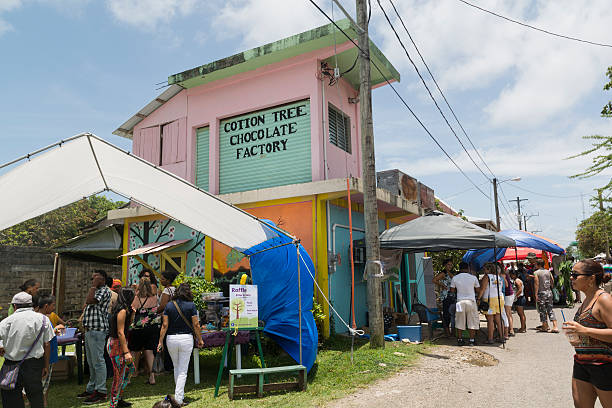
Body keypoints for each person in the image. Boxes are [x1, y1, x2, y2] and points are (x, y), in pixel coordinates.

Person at [563, 260, 612, 408]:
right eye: (571, 274)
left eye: (575, 275)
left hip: (604, 366)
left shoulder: (603, 299)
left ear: (591, 278)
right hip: (582, 363)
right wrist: (578, 338)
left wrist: (583, 330)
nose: (571, 277)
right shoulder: (586, 300)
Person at [0, 292, 55, 408]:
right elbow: (47, 345)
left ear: (15, 306)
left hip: (11, 365)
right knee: (36, 397)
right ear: (31, 304)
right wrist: (46, 366)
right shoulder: (43, 319)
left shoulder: (5, 322)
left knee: (11, 399)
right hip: (34, 364)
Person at [157, 284, 203, 406]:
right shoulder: (191, 306)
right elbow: (196, 325)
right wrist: (200, 339)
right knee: (182, 370)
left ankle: (179, 395)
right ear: (188, 292)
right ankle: (178, 399)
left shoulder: (169, 305)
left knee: (177, 367)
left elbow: (164, 325)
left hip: (171, 339)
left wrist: (160, 341)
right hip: (186, 338)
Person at [78, 269, 112, 404]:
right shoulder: (97, 290)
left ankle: (101, 391)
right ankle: (92, 388)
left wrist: (93, 287)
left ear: (102, 279)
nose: (92, 280)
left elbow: (90, 301)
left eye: (95, 278)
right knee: (91, 362)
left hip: (98, 330)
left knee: (98, 361)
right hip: (90, 330)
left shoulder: (104, 290)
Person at [108, 288, 136, 408]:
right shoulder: (122, 311)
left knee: (129, 370)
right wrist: (126, 352)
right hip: (116, 345)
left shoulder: (124, 310)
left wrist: (133, 314)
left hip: (119, 344)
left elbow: (126, 327)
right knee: (118, 375)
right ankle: (113, 403)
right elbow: (120, 332)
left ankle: (118, 398)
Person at [130, 277, 161, 385]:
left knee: (133, 350)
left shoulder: (137, 298)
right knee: (149, 351)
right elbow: (156, 309)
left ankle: (130, 376)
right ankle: (152, 377)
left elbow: (133, 309)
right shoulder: (154, 298)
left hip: (139, 327)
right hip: (152, 327)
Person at [36, 296, 62, 408]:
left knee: (45, 386)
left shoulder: (43, 319)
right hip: (47, 358)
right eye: (52, 305)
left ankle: (44, 403)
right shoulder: (43, 320)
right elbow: (46, 342)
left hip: (48, 357)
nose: (53, 308)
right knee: (42, 384)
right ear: (46, 306)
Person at [450, 261, 480, 346]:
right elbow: (478, 290)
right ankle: (471, 340)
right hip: (471, 301)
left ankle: (460, 339)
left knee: (459, 321)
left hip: (460, 302)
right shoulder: (473, 277)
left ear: (459, 269)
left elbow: (452, 291)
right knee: (472, 321)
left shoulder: (455, 278)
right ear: (468, 268)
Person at [478, 263, 505, 344]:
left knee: (490, 320)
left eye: (484, 269)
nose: (483, 270)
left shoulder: (486, 277)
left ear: (488, 269)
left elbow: (482, 289)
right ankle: (502, 337)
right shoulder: (499, 277)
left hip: (490, 300)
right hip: (500, 298)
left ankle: (490, 338)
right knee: (498, 319)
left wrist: (478, 298)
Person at [534, 258, 559, 333]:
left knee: (542, 310)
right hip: (549, 292)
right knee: (550, 309)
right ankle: (555, 326)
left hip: (541, 293)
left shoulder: (536, 273)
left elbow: (536, 283)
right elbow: (552, 281)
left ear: (538, 265)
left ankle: (545, 326)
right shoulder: (548, 272)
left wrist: (535, 294)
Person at [433, 258, 455, 336]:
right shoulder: (443, 273)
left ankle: (451, 331)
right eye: (448, 264)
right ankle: (447, 332)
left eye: (451, 264)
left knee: (451, 313)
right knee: (446, 313)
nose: (450, 266)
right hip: (446, 295)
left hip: (451, 295)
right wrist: (442, 285)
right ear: (445, 265)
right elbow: (434, 280)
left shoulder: (450, 273)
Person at [503, 267, 515, 337]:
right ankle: (511, 329)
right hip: (509, 294)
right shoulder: (505, 274)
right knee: (509, 313)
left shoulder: (503, 275)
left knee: (508, 313)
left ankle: (510, 329)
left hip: (508, 295)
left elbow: (506, 285)